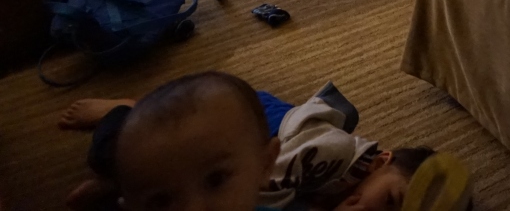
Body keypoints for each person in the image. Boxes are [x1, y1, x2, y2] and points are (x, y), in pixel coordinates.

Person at [59, 73, 465, 211]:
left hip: (265, 143)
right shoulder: (330, 154)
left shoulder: (347, 192)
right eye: (390, 201)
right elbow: (255, 184)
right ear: (379, 162)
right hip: (239, 119)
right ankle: (123, 109)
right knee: (138, 149)